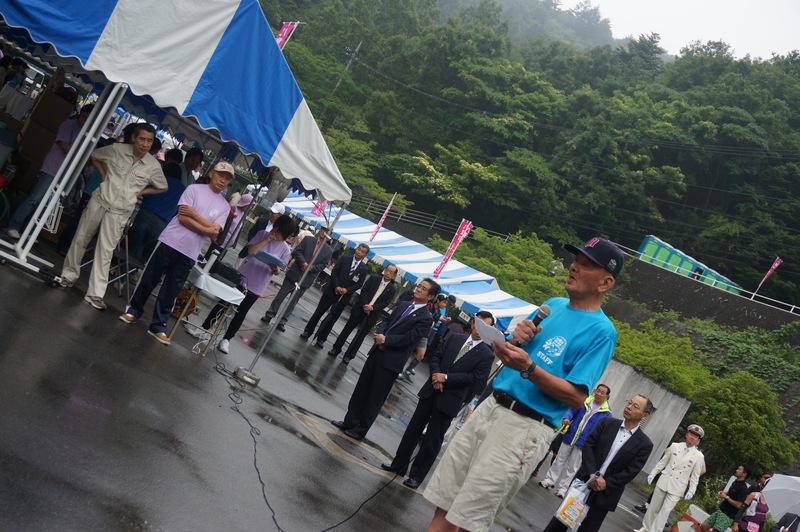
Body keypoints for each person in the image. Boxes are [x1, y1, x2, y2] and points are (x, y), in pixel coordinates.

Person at [422, 236, 625, 532]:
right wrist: (513, 341)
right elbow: (507, 354)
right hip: (491, 406)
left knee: (468, 518)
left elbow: (575, 397)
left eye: (585, 265)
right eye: (575, 261)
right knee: (446, 501)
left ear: (605, 283)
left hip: (525, 427)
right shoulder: (551, 306)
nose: (573, 267)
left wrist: (529, 368)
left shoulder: (602, 332)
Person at [117, 162, 233, 344]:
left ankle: (158, 325)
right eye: (220, 175)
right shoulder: (194, 189)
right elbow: (182, 218)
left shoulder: (224, 207)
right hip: (170, 241)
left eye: (227, 178)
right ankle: (134, 311)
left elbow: (215, 232)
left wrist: (195, 215)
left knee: (171, 289)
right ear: (212, 174)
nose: (222, 180)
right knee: (149, 278)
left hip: (190, 252)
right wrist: (206, 226)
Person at [381, 311, 495, 489]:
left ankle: (416, 476)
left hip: (450, 398)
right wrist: (436, 376)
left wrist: (446, 378)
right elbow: (436, 356)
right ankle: (398, 465)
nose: (481, 329)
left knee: (432, 439)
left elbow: (476, 378)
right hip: (431, 389)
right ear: (472, 323)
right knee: (413, 430)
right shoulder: (455, 338)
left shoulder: (487, 354)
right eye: (479, 324)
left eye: (487, 327)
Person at [59, 123, 167, 310]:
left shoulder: (153, 165)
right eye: (142, 139)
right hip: (100, 200)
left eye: (149, 141)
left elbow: (163, 186)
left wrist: (141, 192)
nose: (145, 144)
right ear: (134, 138)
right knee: (81, 239)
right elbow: (95, 156)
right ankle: (68, 276)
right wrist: (104, 176)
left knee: (106, 249)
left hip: (121, 210)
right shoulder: (116, 149)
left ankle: (95, 294)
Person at [330, 278, 440, 441]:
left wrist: (386, 341)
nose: (419, 289)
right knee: (361, 390)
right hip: (377, 352)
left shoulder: (426, 318)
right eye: (419, 286)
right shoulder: (404, 304)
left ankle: (360, 430)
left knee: (375, 397)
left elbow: (410, 338)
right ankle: (349, 421)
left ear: (430, 296)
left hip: (391, 361)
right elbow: (386, 321)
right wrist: (380, 336)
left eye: (424, 289)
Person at [542, 395, 655, 532]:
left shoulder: (644, 444)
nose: (629, 407)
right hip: (584, 482)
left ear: (644, 416)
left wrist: (605, 483)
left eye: (635, 406)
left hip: (606, 493)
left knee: (588, 528)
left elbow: (631, 471)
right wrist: (592, 473)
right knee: (560, 522)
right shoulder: (607, 423)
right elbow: (589, 445)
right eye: (629, 402)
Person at [186, 214, 295, 353]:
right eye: (277, 230)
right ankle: (204, 328)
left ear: (286, 235)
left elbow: (279, 270)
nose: (277, 235)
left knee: (241, 312)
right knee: (223, 303)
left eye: (280, 234)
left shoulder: (286, 249)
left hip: (258, 284)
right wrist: (267, 239)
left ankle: (226, 339)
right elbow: (250, 251)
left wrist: (274, 268)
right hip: (242, 277)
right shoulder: (262, 234)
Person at [5, 105, 94, 239]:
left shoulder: (86, 133)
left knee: (46, 204)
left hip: (65, 172)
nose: (84, 120)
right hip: (53, 167)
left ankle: (29, 232)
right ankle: (13, 225)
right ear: (80, 115)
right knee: (35, 199)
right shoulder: (69, 125)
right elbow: (64, 145)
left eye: (88, 119)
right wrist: (79, 156)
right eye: (84, 117)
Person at [539, 384, 612, 498]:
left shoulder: (607, 414)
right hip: (571, 435)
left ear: (607, 397)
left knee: (573, 467)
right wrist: (567, 418)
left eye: (602, 392)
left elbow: (602, 432)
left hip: (585, 443)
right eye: (598, 390)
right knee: (559, 460)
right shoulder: (585, 401)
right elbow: (572, 410)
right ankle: (549, 480)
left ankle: (563, 489)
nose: (598, 394)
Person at [635, 424, 706, 532]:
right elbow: (662, 462)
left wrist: (691, 490)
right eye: (691, 434)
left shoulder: (699, 456)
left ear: (698, 440)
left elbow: (695, 476)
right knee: (653, 508)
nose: (692, 437)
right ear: (687, 434)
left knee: (665, 511)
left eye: (696, 436)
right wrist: (653, 473)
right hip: (664, 480)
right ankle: (645, 528)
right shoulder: (675, 446)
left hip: (678, 487)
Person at [260, 226, 332, 332]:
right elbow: (297, 251)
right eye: (323, 229)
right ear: (320, 230)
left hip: (306, 278)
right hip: (295, 273)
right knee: (281, 295)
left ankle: (282, 321)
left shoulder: (328, 250)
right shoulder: (308, 239)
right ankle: (270, 314)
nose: (324, 232)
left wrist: (311, 268)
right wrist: (303, 262)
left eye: (327, 231)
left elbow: (323, 265)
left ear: (330, 235)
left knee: (293, 301)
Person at [300, 243, 369, 348]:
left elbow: (359, 284)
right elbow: (335, 272)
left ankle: (322, 339)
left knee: (332, 318)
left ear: (365, 255)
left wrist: (347, 290)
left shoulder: (363, 269)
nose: (359, 252)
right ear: (356, 249)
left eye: (362, 251)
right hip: (332, 291)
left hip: (344, 297)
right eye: (359, 249)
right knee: (318, 312)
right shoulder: (344, 258)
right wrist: (336, 286)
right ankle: (308, 331)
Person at [327, 265, 398, 364]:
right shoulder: (374, 278)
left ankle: (349, 355)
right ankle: (336, 348)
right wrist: (365, 305)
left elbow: (385, 303)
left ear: (394, 276)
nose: (387, 273)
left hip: (371, 315)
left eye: (391, 272)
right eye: (387, 270)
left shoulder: (392, 289)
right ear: (384, 270)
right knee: (347, 330)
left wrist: (372, 308)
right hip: (360, 309)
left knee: (360, 337)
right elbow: (364, 290)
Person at [125, 162, 185, 266]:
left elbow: (145, 194)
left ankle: (122, 275)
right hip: (161, 225)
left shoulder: (160, 180)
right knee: (141, 246)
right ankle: (126, 274)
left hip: (145, 216)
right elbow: (178, 211)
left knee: (136, 245)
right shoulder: (184, 190)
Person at [404, 293, 451, 376]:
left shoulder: (439, 312)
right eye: (443, 302)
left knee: (421, 355)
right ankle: (398, 369)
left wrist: (443, 320)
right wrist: (439, 319)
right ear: (438, 300)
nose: (445, 305)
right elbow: (428, 317)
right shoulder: (429, 306)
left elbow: (436, 320)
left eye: (446, 303)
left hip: (425, 335)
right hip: (417, 332)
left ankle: (408, 370)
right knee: (406, 350)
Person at [700, 465, 753, 532]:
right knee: (704, 526)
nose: (737, 470)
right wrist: (724, 493)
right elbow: (731, 493)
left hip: (727, 515)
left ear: (744, 474)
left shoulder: (743, 489)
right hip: (721, 510)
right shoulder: (735, 482)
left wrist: (726, 497)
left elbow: (739, 505)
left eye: (739, 469)